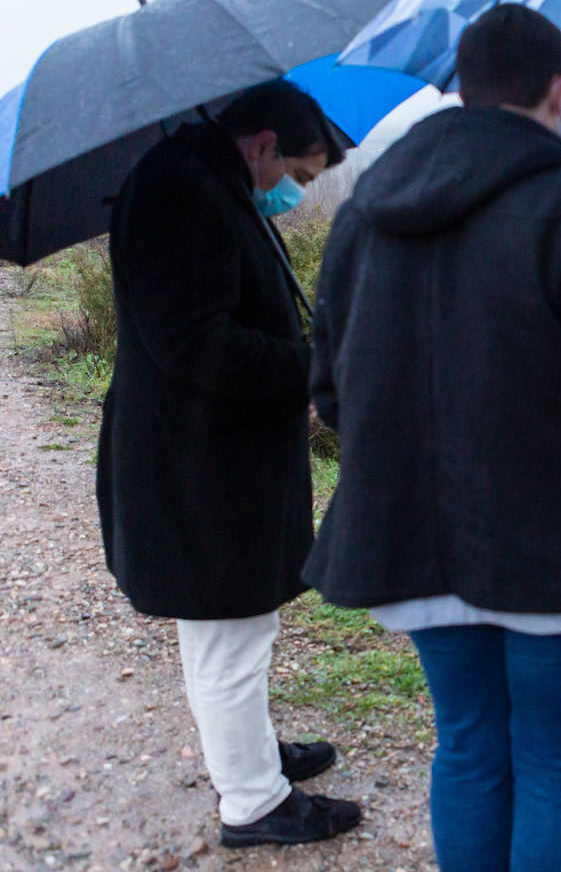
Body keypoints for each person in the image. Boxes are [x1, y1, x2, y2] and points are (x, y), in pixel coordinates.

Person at [304, 4, 561, 872]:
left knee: (472, 749)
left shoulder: (367, 209)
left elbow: (331, 393)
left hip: (416, 550)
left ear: (461, 87)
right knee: (558, 770)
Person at [98, 80, 362, 847]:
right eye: (299, 176)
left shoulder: (201, 178)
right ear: (264, 144)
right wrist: (303, 369)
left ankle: (248, 752)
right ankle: (253, 801)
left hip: (211, 456)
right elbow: (197, 343)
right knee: (228, 632)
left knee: (230, 627)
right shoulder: (184, 190)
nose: (294, 194)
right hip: (200, 466)